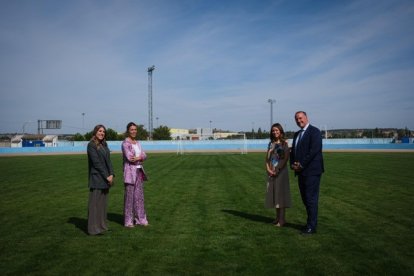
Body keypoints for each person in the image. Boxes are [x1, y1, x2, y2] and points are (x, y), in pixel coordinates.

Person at [290, 111, 324, 235]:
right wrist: (293, 164)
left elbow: (314, 151)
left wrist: (302, 164)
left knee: (311, 199)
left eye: (300, 118)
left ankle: (311, 226)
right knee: (305, 199)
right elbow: (294, 151)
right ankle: (310, 222)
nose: (299, 121)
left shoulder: (314, 132)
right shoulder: (297, 134)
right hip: (301, 172)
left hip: (312, 172)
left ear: (306, 117)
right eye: (296, 119)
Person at [87, 124, 114, 235]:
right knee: (95, 205)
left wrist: (112, 174)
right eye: (100, 131)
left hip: (106, 178)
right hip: (97, 178)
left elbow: (109, 161)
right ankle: (92, 229)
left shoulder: (104, 145)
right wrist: (106, 175)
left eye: (103, 131)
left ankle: (102, 226)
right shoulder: (91, 145)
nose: (102, 133)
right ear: (95, 132)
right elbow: (96, 163)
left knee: (102, 205)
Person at [121, 122, 149, 227]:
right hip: (130, 173)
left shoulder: (138, 143)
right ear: (128, 131)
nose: (134, 131)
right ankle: (128, 221)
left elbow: (145, 155)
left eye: (135, 129)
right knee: (129, 198)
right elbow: (130, 158)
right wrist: (140, 157)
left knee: (139, 197)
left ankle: (141, 219)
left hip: (139, 172)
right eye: (132, 129)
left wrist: (140, 157)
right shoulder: (125, 143)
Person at [265, 123, 291, 227]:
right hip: (271, 171)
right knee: (275, 195)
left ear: (280, 131)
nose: (275, 132)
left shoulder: (285, 143)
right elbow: (267, 159)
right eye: (273, 130)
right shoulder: (271, 143)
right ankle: (277, 218)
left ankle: (282, 220)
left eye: (277, 130)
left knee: (281, 196)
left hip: (281, 172)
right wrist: (268, 169)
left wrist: (277, 170)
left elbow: (284, 159)